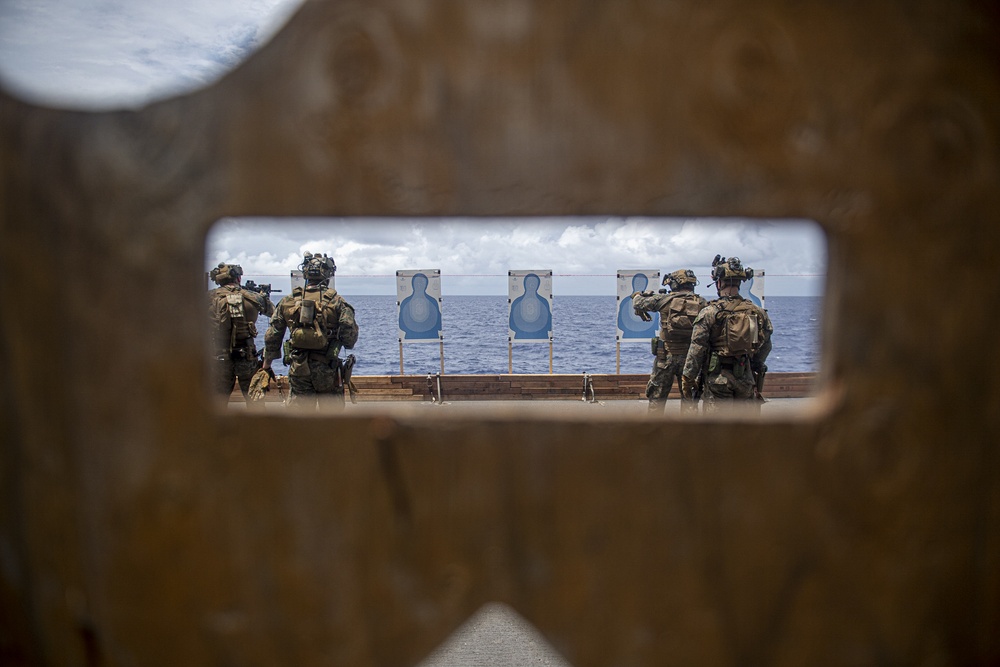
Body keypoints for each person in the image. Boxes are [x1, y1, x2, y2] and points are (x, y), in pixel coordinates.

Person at [263, 252, 358, 409]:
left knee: (300, 420)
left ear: (306, 273)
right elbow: (349, 338)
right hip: (328, 368)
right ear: (328, 275)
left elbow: (272, 335)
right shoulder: (337, 301)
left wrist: (266, 366)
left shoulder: (288, 301)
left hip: (299, 368)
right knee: (333, 420)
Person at [681, 255, 773, 413]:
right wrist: (754, 366)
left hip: (718, 380)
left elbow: (697, 349)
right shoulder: (757, 312)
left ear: (718, 283)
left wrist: (687, 379)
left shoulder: (710, 312)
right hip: (746, 379)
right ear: (739, 283)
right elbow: (766, 345)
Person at [632, 269, 707, 413]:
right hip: (690, 359)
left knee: (656, 400)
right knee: (689, 401)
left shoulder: (664, 300)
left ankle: (654, 432)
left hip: (665, 358)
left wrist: (637, 295)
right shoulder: (702, 303)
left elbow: (638, 303)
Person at [208, 262, 274, 406]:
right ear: (238, 278)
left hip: (218, 359)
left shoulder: (208, 298)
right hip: (247, 357)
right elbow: (274, 315)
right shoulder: (253, 297)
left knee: (216, 405)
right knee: (255, 404)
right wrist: (263, 297)